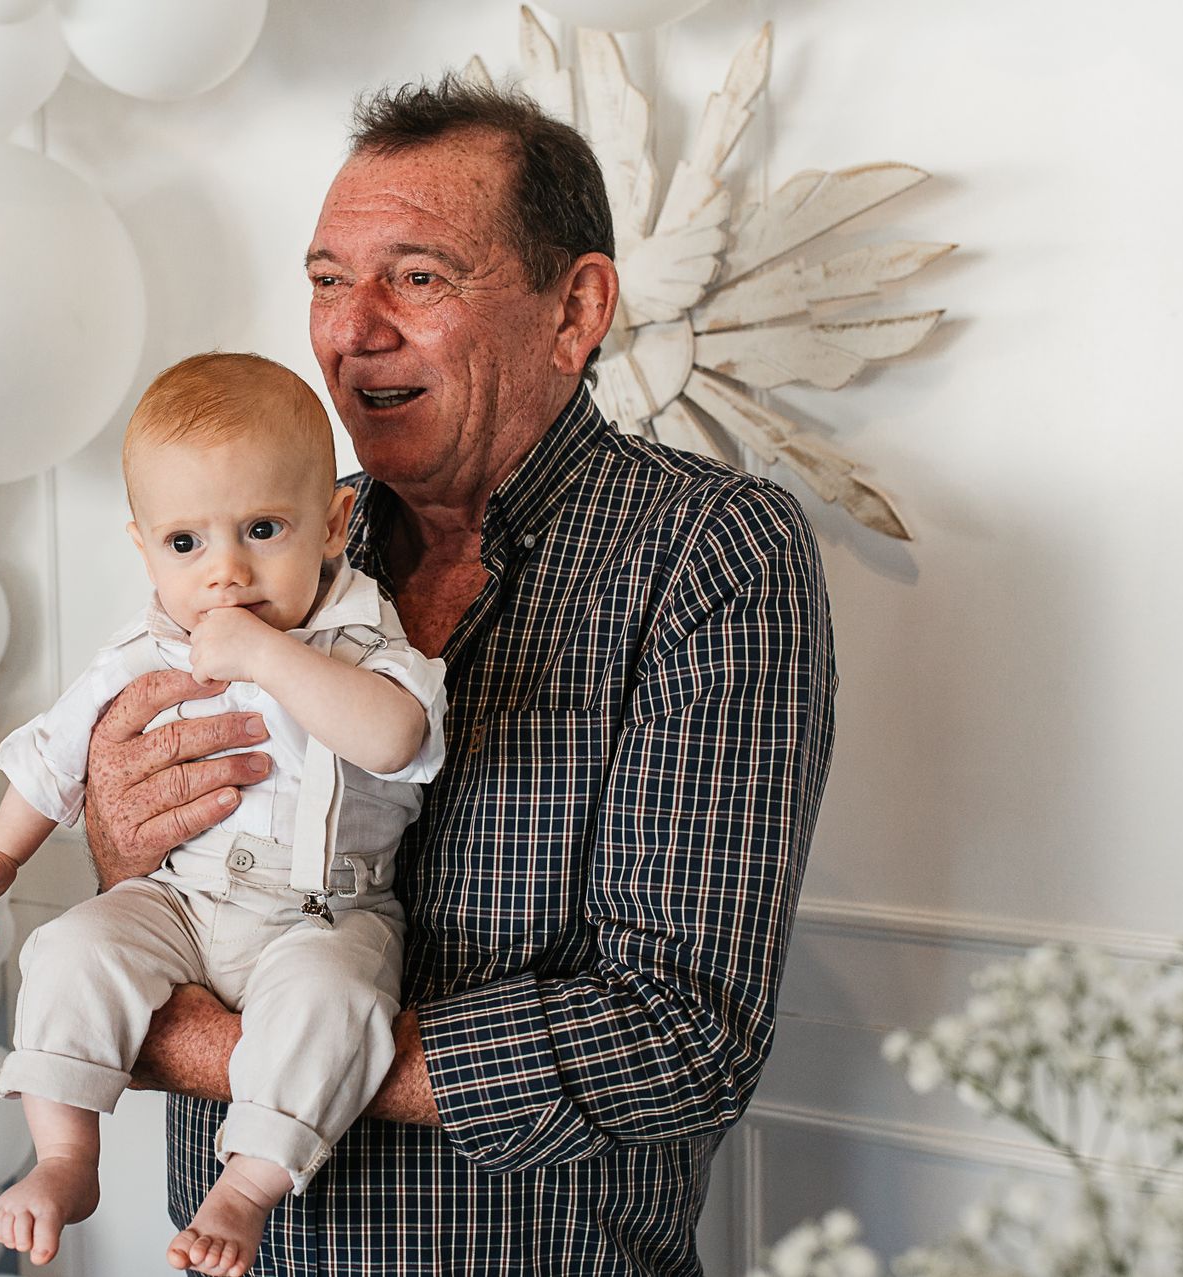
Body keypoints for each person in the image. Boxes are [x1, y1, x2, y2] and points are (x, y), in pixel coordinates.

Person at [74, 77, 839, 1275]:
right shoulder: (262, 550)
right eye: (328, 278)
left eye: (418, 276)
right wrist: (120, 851)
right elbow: (155, 872)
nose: (351, 327)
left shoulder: (712, 555)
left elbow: (682, 1033)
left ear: (575, 307)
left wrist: (230, 1050)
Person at [0, 352, 450, 1276]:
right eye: (186, 544)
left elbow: (393, 737)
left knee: (335, 1007)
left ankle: (247, 1186)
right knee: (70, 948)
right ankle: (66, 1156)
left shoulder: (364, 634)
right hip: (182, 895)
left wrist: (265, 654)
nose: (224, 574)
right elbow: (60, 752)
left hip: (324, 911)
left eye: (261, 529)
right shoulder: (145, 646)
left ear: (333, 525)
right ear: (144, 548)